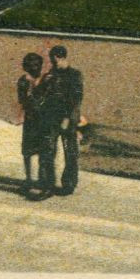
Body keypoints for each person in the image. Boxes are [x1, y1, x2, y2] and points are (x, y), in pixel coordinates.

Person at [45, 45, 85, 196]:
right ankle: (49, 182)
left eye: (54, 61)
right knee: (49, 150)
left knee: (70, 152)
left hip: (68, 119)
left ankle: (69, 184)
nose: (53, 64)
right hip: (52, 118)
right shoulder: (52, 74)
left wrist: (67, 118)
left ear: (60, 58)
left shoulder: (74, 75)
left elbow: (76, 99)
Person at [15, 52, 53, 198]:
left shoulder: (47, 80)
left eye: (36, 65)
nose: (34, 68)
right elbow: (22, 100)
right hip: (32, 120)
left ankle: (41, 182)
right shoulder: (24, 81)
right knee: (28, 152)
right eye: (31, 65)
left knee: (43, 152)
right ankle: (30, 180)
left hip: (43, 121)